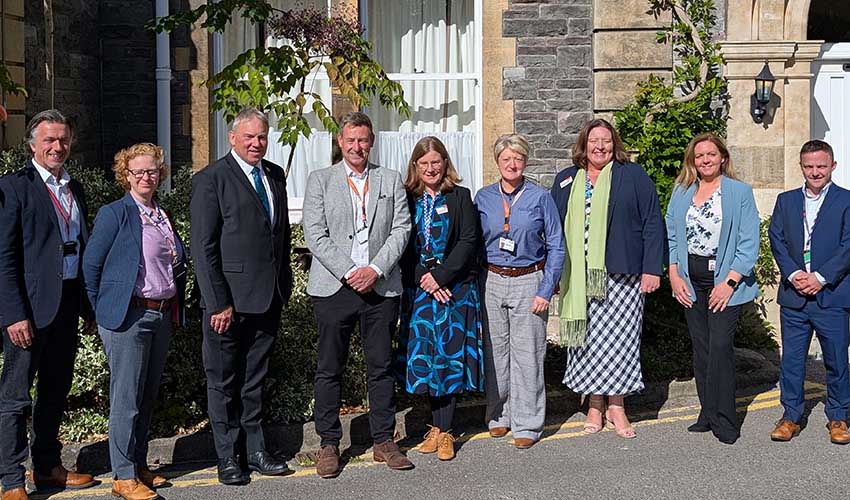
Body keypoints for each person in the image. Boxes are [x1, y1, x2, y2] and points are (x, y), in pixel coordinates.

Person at [303, 111, 412, 478]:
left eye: (363, 140)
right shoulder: (320, 180)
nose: (357, 147)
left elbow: (401, 228)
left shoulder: (390, 179)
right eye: (350, 140)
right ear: (340, 142)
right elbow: (314, 234)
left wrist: (375, 270)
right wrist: (351, 272)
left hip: (380, 287)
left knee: (380, 367)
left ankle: (383, 440)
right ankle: (329, 444)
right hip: (335, 287)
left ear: (372, 142)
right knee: (329, 368)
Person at [190, 108, 293, 485]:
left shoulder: (274, 175)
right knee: (223, 382)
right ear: (232, 137)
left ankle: (256, 450)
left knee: (254, 380)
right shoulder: (211, 179)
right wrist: (218, 302)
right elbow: (203, 248)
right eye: (249, 137)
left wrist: (285, 281)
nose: (256, 143)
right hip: (227, 305)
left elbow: (277, 236)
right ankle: (227, 457)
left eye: (262, 137)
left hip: (268, 298)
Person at [0, 110, 96, 500]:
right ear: (32, 145)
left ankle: (48, 466)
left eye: (63, 140)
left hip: (66, 303)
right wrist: (13, 314)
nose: (58, 147)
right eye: (49, 141)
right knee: (16, 396)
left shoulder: (75, 189)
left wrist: (88, 308)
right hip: (29, 310)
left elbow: (83, 250)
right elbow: (4, 257)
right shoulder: (14, 187)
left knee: (56, 389)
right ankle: (10, 478)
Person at [82, 143, 187, 499]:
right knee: (125, 399)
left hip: (159, 314)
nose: (146, 177)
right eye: (138, 171)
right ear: (125, 175)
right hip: (128, 316)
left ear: (161, 174)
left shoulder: (162, 213)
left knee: (145, 397)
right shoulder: (116, 213)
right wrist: (102, 312)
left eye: (152, 171)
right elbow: (91, 266)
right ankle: (122, 475)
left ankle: (138, 465)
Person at [550, 118, 664, 439]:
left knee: (621, 340)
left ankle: (617, 405)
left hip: (623, 274)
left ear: (615, 144)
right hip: (577, 277)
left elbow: (652, 222)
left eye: (607, 140)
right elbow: (552, 228)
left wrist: (652, 268)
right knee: (586, 342)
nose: (601, 146)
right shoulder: (566, 179)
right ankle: (594, 404)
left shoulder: (633, 176)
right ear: (583, 144)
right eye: (594, 141)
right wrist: (553, 273)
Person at [665, 133, 760, 444]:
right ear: (692, 161)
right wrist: (674, 274)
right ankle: (707, 412)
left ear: (722, 158)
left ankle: (725, 418)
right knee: (702, 349)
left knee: (720, 348)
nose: (705, 160)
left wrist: (730, 282)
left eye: (710, 154)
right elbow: (672, 237)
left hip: (725, 282)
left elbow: (748, 243)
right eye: (699, 155)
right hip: (691, 281)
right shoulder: (681, 191)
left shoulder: (739, 192)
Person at [475, 134, 565, 450]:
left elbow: (556, 244)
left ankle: (527, 423)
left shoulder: (540, 197)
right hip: (491, 279)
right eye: (506, 159)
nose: (512, 164)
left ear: (525, 162)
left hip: (529, 280)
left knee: (528, 354)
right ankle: (499, 416)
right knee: (496, 353)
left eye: (518, 158)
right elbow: (474, 242)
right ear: (497, 162)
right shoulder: (483, 197)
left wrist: (546, 287)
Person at [398, 137, 483, 461]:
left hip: (454, 291)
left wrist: (442, 277)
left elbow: (467, 241)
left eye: (436, 162)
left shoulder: (460, 197)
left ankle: (445, 431)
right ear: (415, 167)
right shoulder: (407, 199)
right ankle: (434, 426)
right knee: (426, 362)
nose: (431, 168)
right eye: (424, 163)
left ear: (445, 164)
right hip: (421, 291)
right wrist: (426, 278)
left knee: (449, 360)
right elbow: (402, 246)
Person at [768, 139, 850, 444]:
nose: (815, 172)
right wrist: (794, 273)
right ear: (801, 167)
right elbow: (776, 239)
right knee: (791, 360)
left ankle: (839, 417)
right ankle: (791, 416)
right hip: (795, 295)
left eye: (821, 166)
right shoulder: (786, 201)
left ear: (833, 166)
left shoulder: (846, 201)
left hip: (832, 295)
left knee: (836, 360)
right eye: (809, 166)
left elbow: (848, 246)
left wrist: (820, 277)